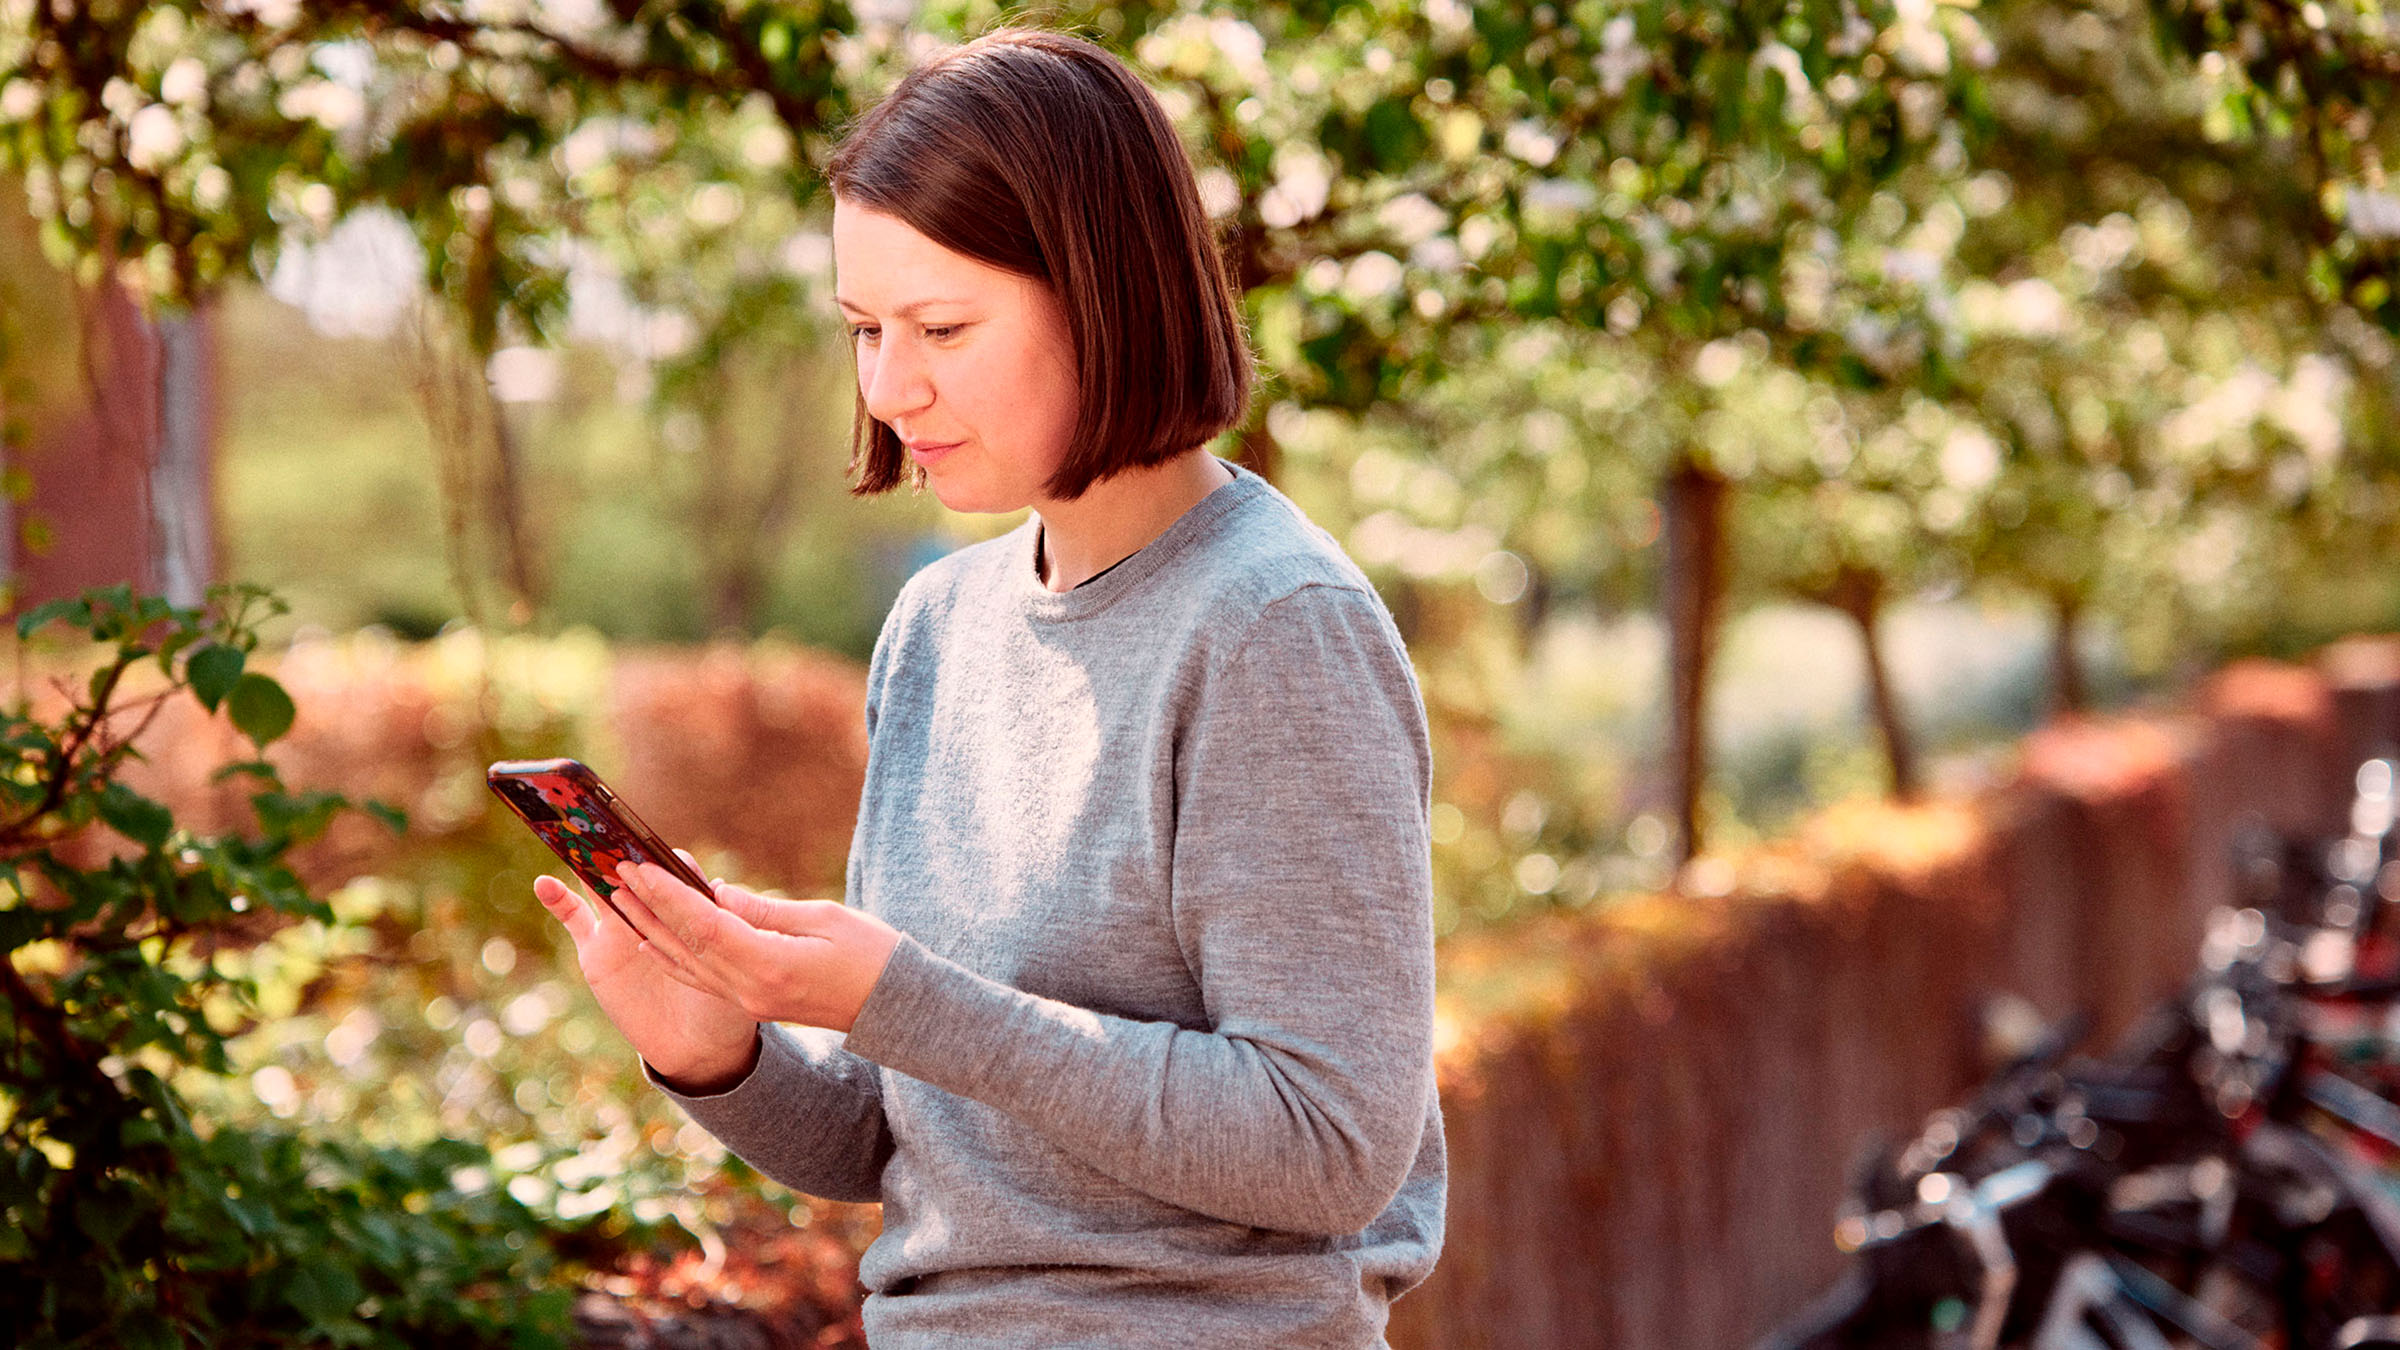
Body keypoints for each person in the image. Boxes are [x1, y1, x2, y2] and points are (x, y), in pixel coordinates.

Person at [533, 28, 1445, 1348]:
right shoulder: (936, 630)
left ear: (1105, 293)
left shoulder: (1274, 628)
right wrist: (713, 1044)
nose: (892, 386)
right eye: (864, 329)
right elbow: (901, 1139)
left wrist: (902, 994)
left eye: (943, 327)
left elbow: (1328, 1145)